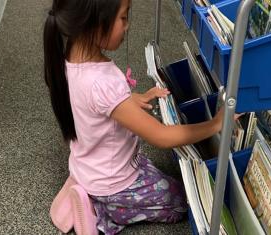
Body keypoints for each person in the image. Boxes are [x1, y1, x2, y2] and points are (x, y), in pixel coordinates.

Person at [43, 0, 229, 234]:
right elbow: (160, 136)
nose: (128, 25)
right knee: (181, 203)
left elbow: (93, 103)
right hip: (113, 181)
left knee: (154, 174)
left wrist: (129, 101)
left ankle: (84, 186)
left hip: (91, 163)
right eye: (123, 17)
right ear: (95, 24)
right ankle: (99, 212)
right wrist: (216, 124)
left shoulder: (67, 57)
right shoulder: (104, 81)